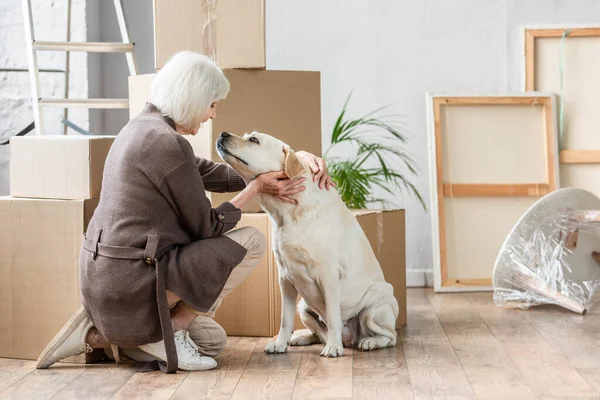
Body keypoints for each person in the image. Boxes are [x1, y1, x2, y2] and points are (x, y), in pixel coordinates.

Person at [35, 51, 334, 372]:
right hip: (131, 280)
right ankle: (155, 333)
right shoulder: (167, 143)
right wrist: (256, 188)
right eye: (212, 104)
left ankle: (109, 335)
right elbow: (207, 226)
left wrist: (284, 163)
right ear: (193, 99)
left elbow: (205, 172)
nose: (212, 115)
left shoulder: (142, 128)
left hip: (106, 276)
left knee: (212, 342)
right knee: (251, 241)